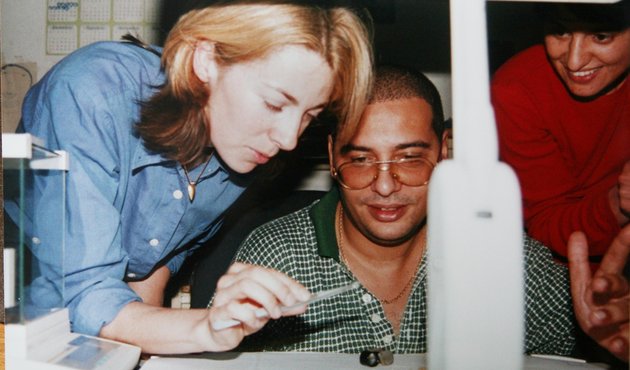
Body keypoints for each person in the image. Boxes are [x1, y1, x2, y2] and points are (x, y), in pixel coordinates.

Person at [8, 0, 373, 354]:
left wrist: (150, 349)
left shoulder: (243, 148)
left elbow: (156, 261)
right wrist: (206, 328)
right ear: (205, 60)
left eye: (310, 115)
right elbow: (83, 295)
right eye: (275, 104)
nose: (289, 139)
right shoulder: (90, 92)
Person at [222, 66, 629, 362]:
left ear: (445, 149)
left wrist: (610, 346)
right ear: (331, 156)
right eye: (362, 159)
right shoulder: (275, 258)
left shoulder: (505, 263)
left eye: (410, 158)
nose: (385, 186)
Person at [491, 1, 630, 265]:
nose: (574, 61)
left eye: (600, 36)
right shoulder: (519, 88)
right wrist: (617, 204)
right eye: (560, 32)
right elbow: (546, 225)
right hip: (572, 276)